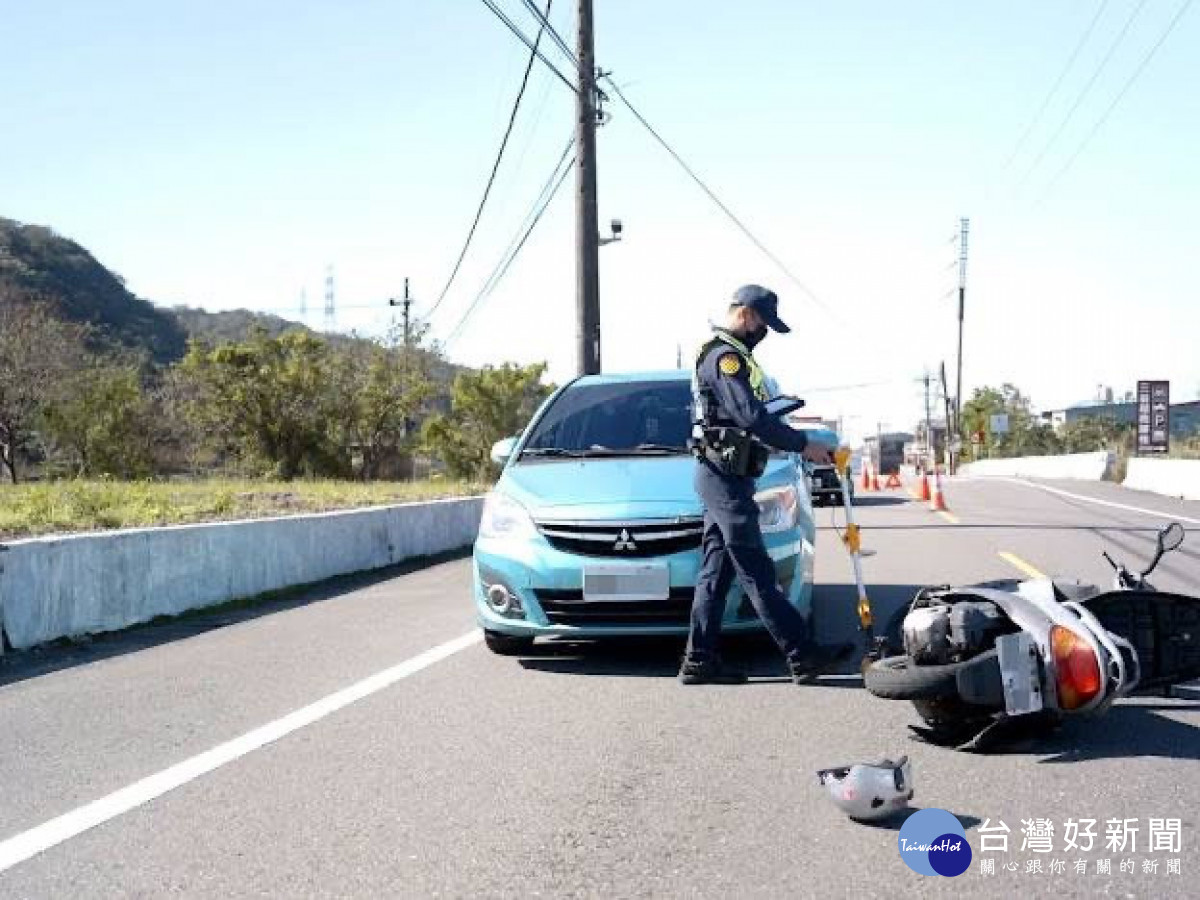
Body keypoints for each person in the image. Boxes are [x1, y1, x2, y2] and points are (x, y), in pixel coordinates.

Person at [680, 284, 852, 685]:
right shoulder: (725, 357)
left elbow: (746, 413)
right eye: (762, 323)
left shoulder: (731, 356)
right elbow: (748, 416)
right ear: (744, 314)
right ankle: (802, 655)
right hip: (723, 476)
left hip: (724, 475)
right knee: (756, 569)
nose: (764, 333)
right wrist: (802, 444)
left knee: (715, 573)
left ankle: (699, 660)